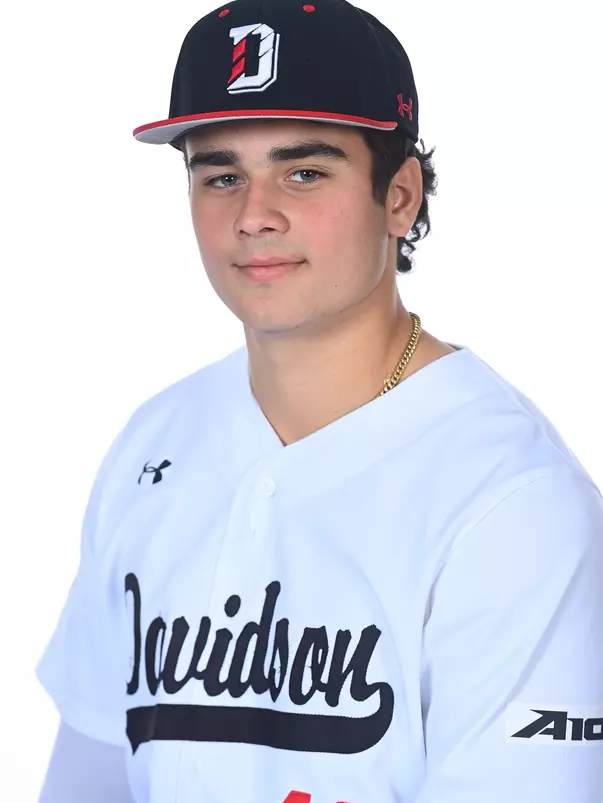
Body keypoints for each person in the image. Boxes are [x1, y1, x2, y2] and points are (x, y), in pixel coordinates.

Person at [35, 1, 603, 801]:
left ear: (398, 195)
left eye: (304, 172)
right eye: (220, 174)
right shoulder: (152, 443)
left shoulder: (511, 499)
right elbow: (89, 775)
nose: (253, 215)